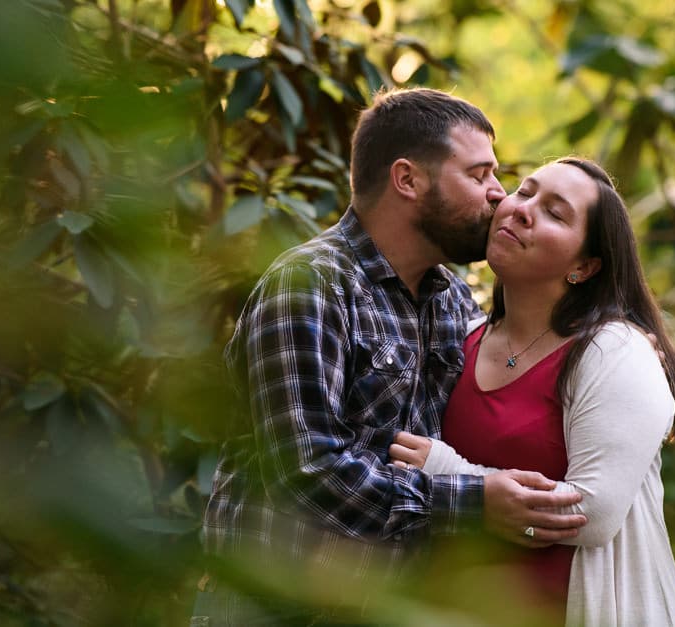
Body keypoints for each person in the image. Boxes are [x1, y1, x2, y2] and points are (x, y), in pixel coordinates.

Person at [194, 89, 588, 626]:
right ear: (408, 180)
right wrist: (472, 504)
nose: (499, 196)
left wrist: (617, 341)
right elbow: (307, 467)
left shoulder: (450, 299)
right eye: (478, 176)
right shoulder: (310, 285)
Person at [389, 157, 675, 626]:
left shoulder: (613, 351)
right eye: (525, 192)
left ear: (584, 266)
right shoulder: (460, 338)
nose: (523, 210)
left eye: (555, 212)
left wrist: (454, 476)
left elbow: (592, 515)